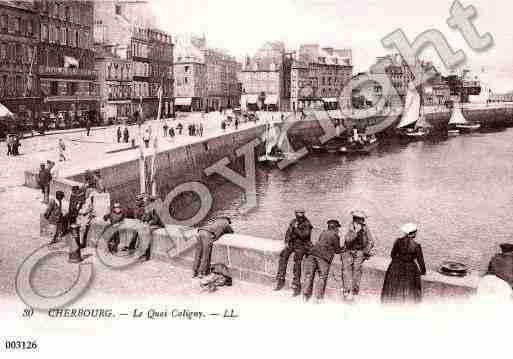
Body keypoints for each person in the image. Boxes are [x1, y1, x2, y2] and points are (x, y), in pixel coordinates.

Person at [381, 223, 426, 304]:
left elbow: (392, 254)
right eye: (415, 232)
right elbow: (420, 260)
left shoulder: (398, 241)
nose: (416, 234)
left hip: (396, 266)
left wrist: (397, 261)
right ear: (412, 233)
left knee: (394, 287)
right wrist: (423, 271)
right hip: (410, 268)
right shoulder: (416, 245)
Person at [274, 209, 313, 296]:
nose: (300, 216)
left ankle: (296, 285)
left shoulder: (307, 224)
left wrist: (296, 229)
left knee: (297, 262)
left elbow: (304, 236)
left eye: (301, 214)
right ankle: (280, 278)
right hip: (292, 244)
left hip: (302, 245)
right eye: (298, 214)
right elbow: (288, 232)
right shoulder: (293, 221)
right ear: (296, 214)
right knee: (283, 255)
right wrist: (287, 242)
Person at [303, 219, 343, 301]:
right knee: (322, 277)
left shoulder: (323, 232)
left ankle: (305, 295)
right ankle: (318, 297)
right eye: (337, 228)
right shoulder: (335, 235)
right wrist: (343, 248)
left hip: (312, 254)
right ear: (335, 228)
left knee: (309, 275)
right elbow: (337, 250)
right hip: (323, 258)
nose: (338, 229)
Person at [341, 210, 375, 300]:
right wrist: (356, 232)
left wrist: (366, 251)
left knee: (357, 271)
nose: (363, 221)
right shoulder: (348, 227)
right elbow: (347, 240)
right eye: (361, 219)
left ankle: (355, 291)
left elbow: (371, 241)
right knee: (346, 271)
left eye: (363, 219)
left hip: (359, 252)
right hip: (348, 252)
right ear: (356, 219)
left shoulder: (365, 228)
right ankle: (346, 290)